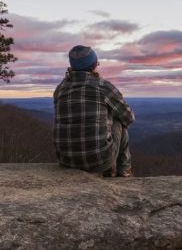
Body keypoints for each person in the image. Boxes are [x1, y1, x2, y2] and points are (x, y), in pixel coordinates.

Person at [53, 45, 135, 176]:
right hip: (99, 161)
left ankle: (113, 170)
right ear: (94, 65)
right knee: (119, 120)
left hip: (66, 160)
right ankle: (123, 174)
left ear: (72, 66)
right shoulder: (103, 86)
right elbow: (129, 117)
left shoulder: (60, 88)